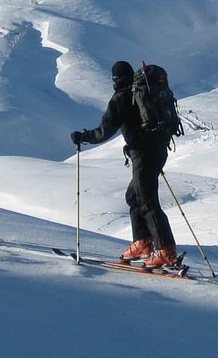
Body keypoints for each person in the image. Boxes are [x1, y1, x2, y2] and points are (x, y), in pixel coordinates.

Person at [70, 61, 178, 269]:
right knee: (134, 196)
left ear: (114, 79)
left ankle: (165, 250)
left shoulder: (121, 98)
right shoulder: (143, 93)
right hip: (159, 150)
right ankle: (142, 243)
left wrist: (83, 137)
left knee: (146, 200)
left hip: (142, 153)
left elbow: (104, 131)